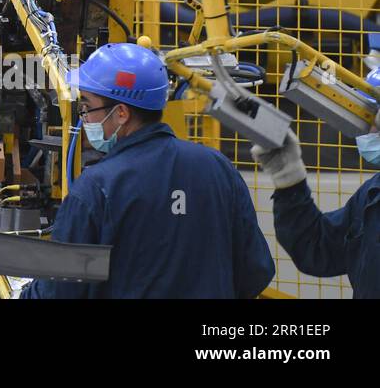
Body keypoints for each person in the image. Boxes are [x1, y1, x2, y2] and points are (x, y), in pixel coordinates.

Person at [23, 41, 274, 298]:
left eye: (87, 106)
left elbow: (58, 293)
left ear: (121, 113)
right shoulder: (218, 168)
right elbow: (257, 272)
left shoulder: (96, 189)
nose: (84, 117)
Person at [251, 65, 380, 299]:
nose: (366, 129)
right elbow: (317, 248)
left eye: (372, 117)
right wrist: (289, 179)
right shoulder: (372, 194)